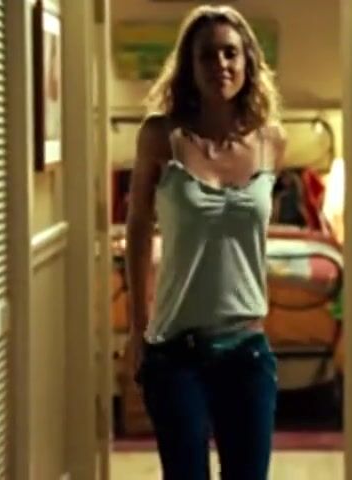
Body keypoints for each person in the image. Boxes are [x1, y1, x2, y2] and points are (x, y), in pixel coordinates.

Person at [125, 4, 286, 479]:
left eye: (230, 53)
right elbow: (137, 227)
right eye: (207, 55)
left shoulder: (272, 142)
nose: (221, 64)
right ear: (189, 66)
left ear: (248, 61)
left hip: (247, 350)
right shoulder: (161, 136)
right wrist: (137, 328)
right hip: (177, 351)